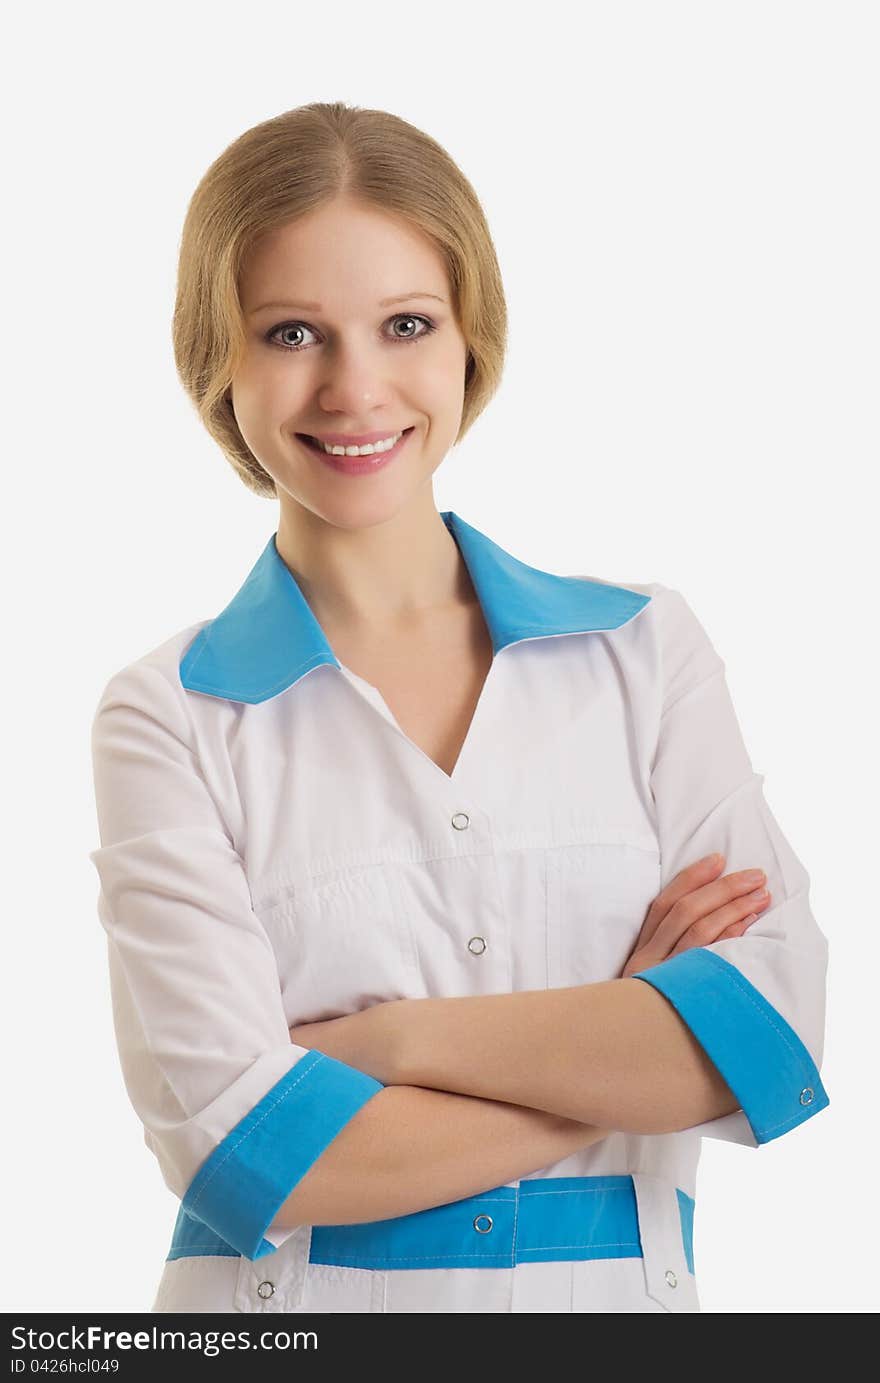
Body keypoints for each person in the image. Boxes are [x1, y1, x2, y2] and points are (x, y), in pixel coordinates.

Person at [88, 101, 830, 1315]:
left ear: (469, 338)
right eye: (291, 332)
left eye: (404, 325)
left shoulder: (642, 653)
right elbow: (245, 1154)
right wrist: (620, 1035)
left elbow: (768, 1046)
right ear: (216, 360)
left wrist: (388, 1047)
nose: (354, 388)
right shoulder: (170, 717)